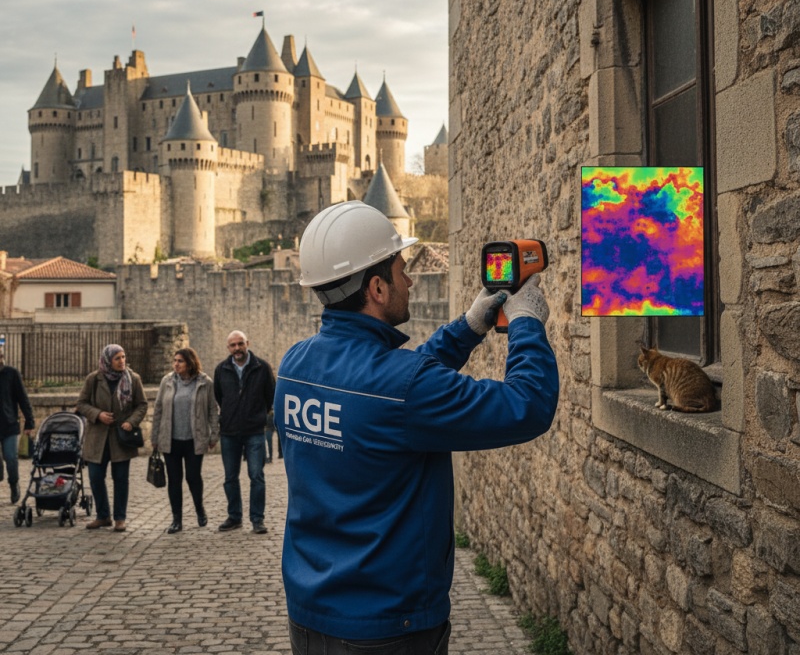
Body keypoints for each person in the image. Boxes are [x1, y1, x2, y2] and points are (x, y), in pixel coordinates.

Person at [275, 200, 559, 654]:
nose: (410, 280)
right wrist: (526, 322)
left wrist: (467, 328)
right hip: (387, 626)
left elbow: (389, 392)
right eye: (401, 270)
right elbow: (527, 405)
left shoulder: (295, 365)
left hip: (311, 614)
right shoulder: (401, 388)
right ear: (377, 288)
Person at [76, 344, 148, 532]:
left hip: (121, 437)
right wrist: (98, 414)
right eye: (117, 358)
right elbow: (81, 404)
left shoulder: (133, 379)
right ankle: (102, 516)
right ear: (108, 360)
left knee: (121, 478)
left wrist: (131, 422)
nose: (122, 361)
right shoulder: (93, 379)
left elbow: (141, 405)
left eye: (123, 357)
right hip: (97, 437)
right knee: (96, 477)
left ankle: (120, 518)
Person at [151, 347, 219, 533]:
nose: (176, 364)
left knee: (193, 477)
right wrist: (155, 436)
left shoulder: (204, 382)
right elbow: (158, 409)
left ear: (190, 363)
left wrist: (214, 435)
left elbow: (212, 409)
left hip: (194, 439)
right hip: (171, 439)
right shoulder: (167, 381)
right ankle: (176, 519)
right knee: (174, 479)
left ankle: (199, 508)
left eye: (180, 361)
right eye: (175, 361)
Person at [213, 330, 275, 534]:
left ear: (247, 343)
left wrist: (257, 416)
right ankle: (234, 517)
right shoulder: (221, 369)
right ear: (228, 348)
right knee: (230, 477)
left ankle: (257, 519)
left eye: (240, 344)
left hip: (254, 431)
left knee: (256, 476)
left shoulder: (262, 367)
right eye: (233, 345)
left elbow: (270, 396)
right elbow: (219, 397)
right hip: (229, 431)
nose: (237, 348)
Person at [0, 347, 35, 504]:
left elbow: (23, 398)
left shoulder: (11, 374)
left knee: (11, 458)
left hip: (9, 424)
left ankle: (14, 484)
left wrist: (29, 421)